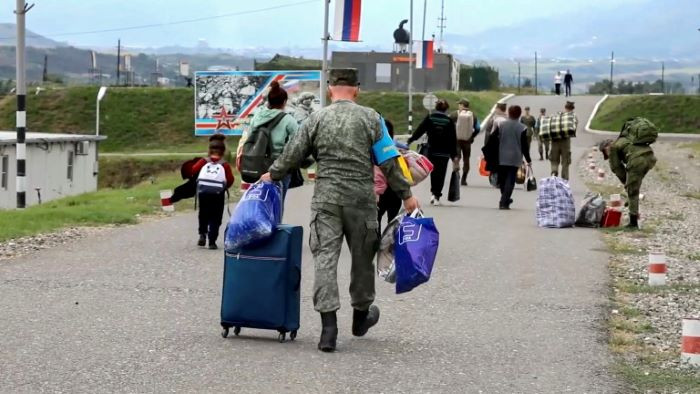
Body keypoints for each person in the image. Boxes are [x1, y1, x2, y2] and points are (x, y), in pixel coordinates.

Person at [261, 69, 418, 353]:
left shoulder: (317, 118)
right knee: (362, 260)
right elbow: (388, 159)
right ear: (356, 89)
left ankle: (328, 329)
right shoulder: (372, 118)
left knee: (325, 259)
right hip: (361, 200)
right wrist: (406, 195)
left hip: (326, 201)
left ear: (330, 89)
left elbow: (292, 154)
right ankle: (360, 317)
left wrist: (271, 175)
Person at [598, 121, 658, 229]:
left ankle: (633, 223)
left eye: (604, 152)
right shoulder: (625, 139)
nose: (606, 154)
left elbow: (616, 168)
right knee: (634, 186)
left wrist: (626, 184)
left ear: (606, 147)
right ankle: (631, 204)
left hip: (637, 161)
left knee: (632, 191)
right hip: (650, 158)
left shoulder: (612, 148)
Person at [247, 81, 298, 200]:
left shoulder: (257, 117)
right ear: (284, 102)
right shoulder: (289, 120)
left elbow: (250, 137)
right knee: (276, 204)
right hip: (279, 168)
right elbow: (296, 146)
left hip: (257, 164)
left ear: (268, 101)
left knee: (259, 201)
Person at [407, 99, 458, 205]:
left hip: (431, 151)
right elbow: (453, 140)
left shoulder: (430, 118)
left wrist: (410, 140)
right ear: (446, 109)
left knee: (433, 172)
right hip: (444, 153)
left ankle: (433, 193)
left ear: (436, 107)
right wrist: (454, 156)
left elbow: (420, 130)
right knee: (441, 173)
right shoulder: (449, 121)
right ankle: (436, 195)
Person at [191, 134, 234, 249]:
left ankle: (202, 235)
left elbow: (193, 170)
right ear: (223, 150)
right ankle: (212, 241)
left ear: (209, 149)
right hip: (218, 194)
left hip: (203, 192)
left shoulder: (204, 161)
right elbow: (230, 180)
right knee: (216, 217)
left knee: (203, 214)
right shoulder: (224, 165)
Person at [493, 105, 532, 209]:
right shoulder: (522, 128)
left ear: (509, 113)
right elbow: (524, 146)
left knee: (502, 180)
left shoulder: (501, 125)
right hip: (515, 157)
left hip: (501, 156)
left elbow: (494, 140)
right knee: (510, 180)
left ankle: (504, 199)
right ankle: (504, 201)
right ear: (519, 114)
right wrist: (528, 159)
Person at [375, 119, 403, 230]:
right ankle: (391, 245)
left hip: (379, 192)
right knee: (393, 222)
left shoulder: (373, 149)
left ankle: (377, 245)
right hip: (395, 190)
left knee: (376, 221)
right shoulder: (400, 148)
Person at [451, 98, 479, 186]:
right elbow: (478, 128)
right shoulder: (473, 115)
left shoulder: (454, 114)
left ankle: (456, 168)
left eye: (459, 104)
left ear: (462, 105)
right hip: (467, 141)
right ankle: (464, 179)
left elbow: (448, 125)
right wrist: (472, 136)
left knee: (457, 157)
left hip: (457, 140)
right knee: (466, 159)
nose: (458, 106)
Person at [550, 101, 577, 180]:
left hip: (554, 141)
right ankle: (564, 179)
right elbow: (574, 129)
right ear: (572, 109)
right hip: (565, 142)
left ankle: (554, 172)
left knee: (554, 160)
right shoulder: (572, 116)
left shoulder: (558, 115)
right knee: (565, 162)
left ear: (565, 108)